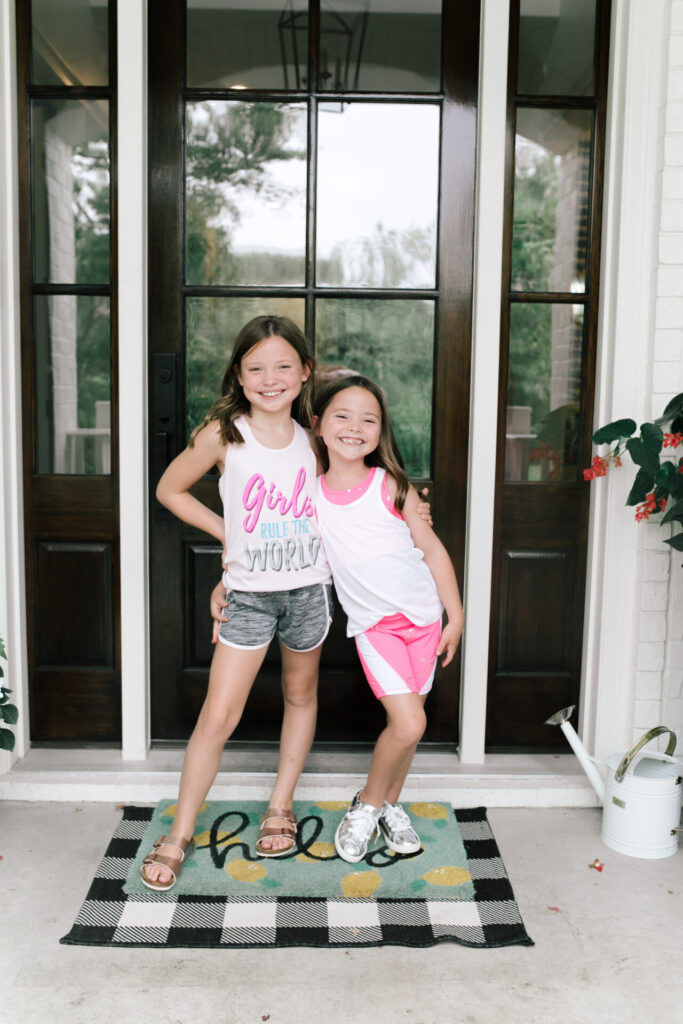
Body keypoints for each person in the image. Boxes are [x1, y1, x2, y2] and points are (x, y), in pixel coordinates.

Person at [140, 314, 334, 890]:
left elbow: (349, 496)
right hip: (249, 595)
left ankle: (280, 806)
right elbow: (169, 489)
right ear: (239, 375)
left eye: (282, 366)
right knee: (218, 716)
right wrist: (231, 538)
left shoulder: (317, 435)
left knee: (300, 696)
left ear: (304, 371)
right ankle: (178, 833)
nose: (269, 378)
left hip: (309, 591)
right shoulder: (224, 433)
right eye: (255, 368)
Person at [312, 374, 464, 864]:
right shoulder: (309, 496)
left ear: (380, 432)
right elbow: (273, 542)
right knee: (408, 722)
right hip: (376, 628)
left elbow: (433, 552)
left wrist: (454, 616)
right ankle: (367, 805)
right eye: (342, 415)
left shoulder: (392, 486)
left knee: (410, 729)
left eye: (368, 419)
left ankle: (390, 804)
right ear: (317, 426)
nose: (355, 427)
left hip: (424, 620)